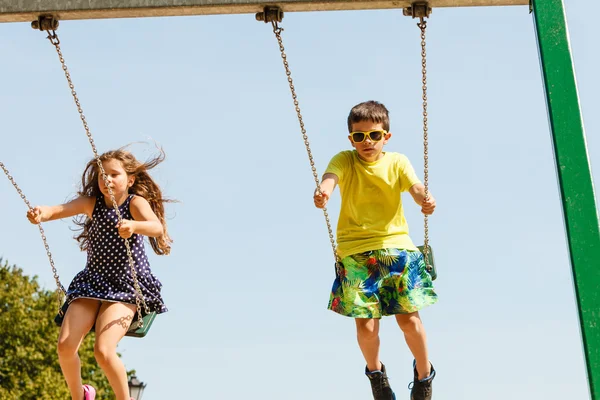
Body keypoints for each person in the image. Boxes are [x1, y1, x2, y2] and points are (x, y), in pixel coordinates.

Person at [313, 101, 438, 400]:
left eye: (374, 135)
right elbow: (330, 179)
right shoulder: (345, 160)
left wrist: (425, 199)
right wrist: (323, 193)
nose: (367, 142)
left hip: (397, 249)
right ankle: (376, 374)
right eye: (359, 137)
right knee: (367, 328)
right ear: (351, 139)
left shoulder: (397, 161)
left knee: (408, 320)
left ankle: (424, 375)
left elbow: (416, 187)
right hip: (356, 252)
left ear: (386, 136)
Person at [27, 147, 172, 400]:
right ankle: (80, 395)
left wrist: (134, 225)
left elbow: (156, 227)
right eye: (102, 174)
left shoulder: (134, 203)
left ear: (130, 179)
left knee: (103, 351)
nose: (107, 179)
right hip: (92, 283)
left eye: (114, 174)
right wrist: (42, 213)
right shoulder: (91, 204)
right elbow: (59, 210)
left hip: (126, 288)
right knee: (65, 346)